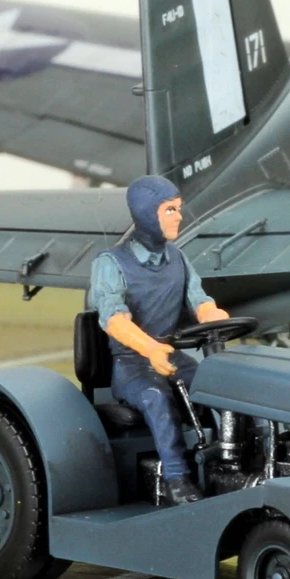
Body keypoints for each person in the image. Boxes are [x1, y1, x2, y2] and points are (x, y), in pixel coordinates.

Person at [89, 175, 229, 506]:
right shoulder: (110, 263)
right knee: (156, 397)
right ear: (146, 213)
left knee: (224, 386)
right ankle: (177, 479)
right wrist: (150, 349)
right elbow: (114, 320)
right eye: (169, 210)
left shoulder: (178, 258)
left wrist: (212, 315)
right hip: (132, 365)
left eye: (178, 208)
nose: (179, 216)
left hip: (172, 357)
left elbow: (199, 299)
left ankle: (234, 457)